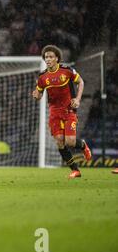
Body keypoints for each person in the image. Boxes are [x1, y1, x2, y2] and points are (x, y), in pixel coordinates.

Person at [32, 45, 92, 179]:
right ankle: (75, 170)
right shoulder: (42, 77)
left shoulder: (66, 70)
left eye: (51, 57)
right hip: (54, 112)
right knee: (59, 141)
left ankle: (83, 145)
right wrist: (36, 96)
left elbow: (81, 82)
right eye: (46, 57)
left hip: (69, 109)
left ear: (57, 58)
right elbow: (39, 94)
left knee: (70, 142)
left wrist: (77, 98)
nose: (48, 59)